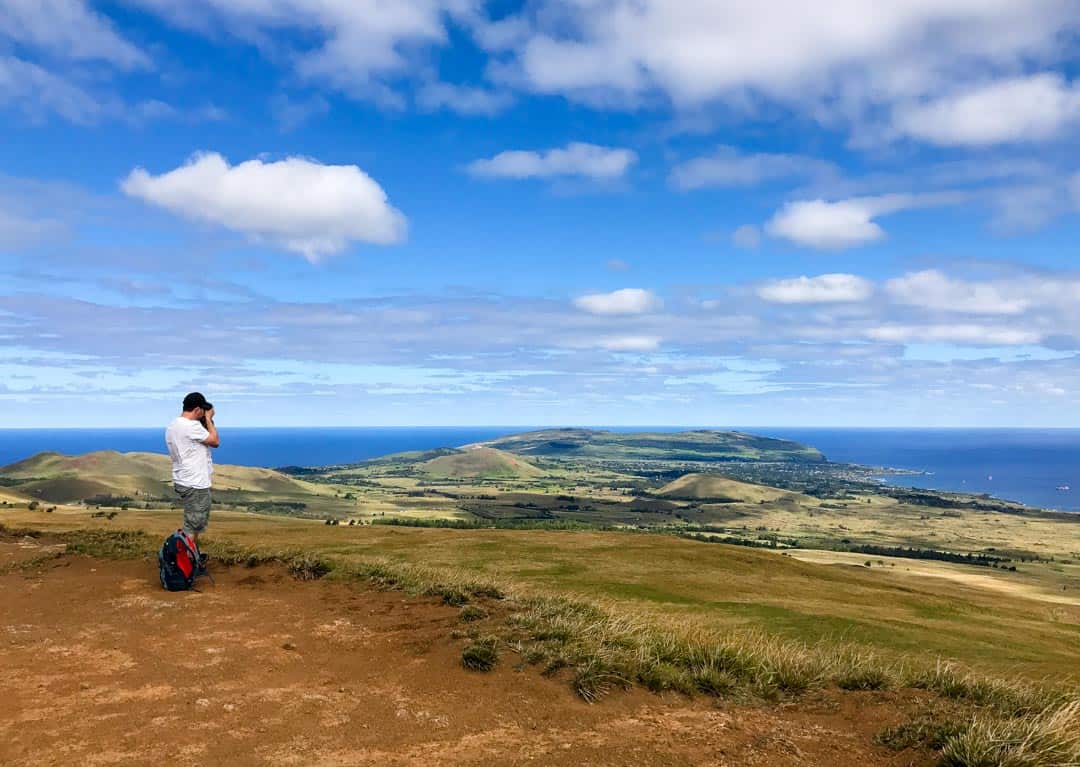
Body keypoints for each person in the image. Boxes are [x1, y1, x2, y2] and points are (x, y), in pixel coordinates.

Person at [165, 392, 220, 548]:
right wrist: (208, 419)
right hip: (195, 482)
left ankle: (191, 556)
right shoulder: (191, 426)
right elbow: (215, 441)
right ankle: (185, 563)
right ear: (197, 410)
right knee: (192, 525)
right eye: (203, 410)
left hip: (183, 479)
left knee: (194, 522)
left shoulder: (173, 425)